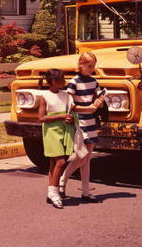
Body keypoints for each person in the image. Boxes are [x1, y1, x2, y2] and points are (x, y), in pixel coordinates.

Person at [59, 52, 104, 203]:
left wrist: (99, 102)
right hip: (80, 122)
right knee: (82, 156)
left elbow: (100, 96)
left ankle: (85, 191)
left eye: (93, 66)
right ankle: (63, 180)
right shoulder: (74, 82)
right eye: (89, 66)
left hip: (91, 121)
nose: (91, 69)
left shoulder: (94, 81)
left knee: (87, 158)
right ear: (80, 65)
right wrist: (87, 109)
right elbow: (70, 104)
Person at [38, 69, 77, 209]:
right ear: (53, 81)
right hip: (51, 132)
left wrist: (70, 119)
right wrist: (60, 117)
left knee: (53, 164)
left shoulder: (65, 95)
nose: (64, 82)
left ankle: (50, 192)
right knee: (60, 162)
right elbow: (42, 118)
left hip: (64, 131)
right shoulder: (44, 96)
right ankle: (55, 194)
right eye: (62, 79)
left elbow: (70, 111)